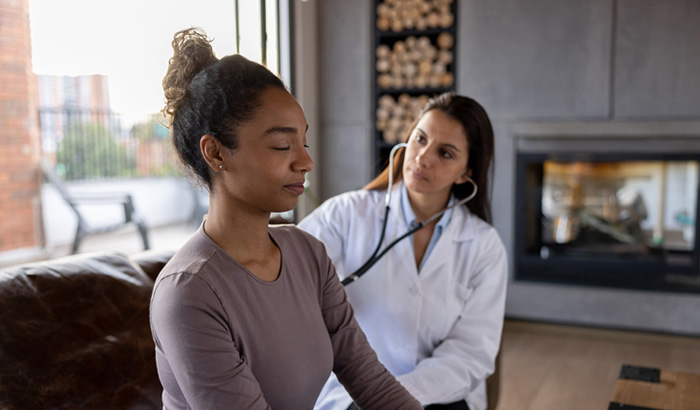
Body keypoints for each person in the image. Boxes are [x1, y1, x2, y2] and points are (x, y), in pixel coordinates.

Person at [149, 27, 423, 410]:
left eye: (303, 143)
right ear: (215, 153)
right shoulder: (189, 293)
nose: (306, 162)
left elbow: (369, 379)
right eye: (282, 145)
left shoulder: (308, 254)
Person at [299, 92, 508, 410]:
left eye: (446, 153)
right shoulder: (346, 214)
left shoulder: (484, 246)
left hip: (440, 395)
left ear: (466, 173)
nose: (423, 157)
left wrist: (392, 395)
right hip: (353, 393)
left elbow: (470, 352)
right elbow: (287, 272)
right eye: (420, 138)